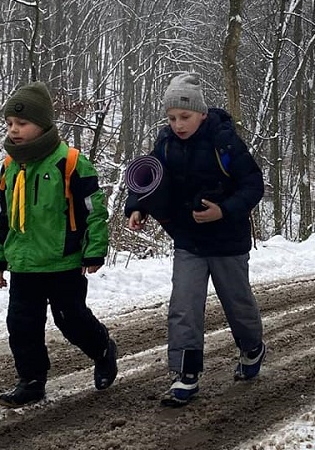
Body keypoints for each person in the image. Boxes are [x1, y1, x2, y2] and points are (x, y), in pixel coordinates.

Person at [125, 72, 265, 407]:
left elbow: (253, 185)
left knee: (238, 304)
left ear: (201, 113)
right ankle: (185, 376)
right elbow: (149, 178)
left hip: (227, 239)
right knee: (184, 307)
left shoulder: (225, 141)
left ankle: (252, 348)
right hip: (188, 239)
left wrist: (224, 210)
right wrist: (137, 207)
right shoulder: (166, 143)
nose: (178, 124)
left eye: (184, 117)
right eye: (172, 118)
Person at [0, 81, 117, 408]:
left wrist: (95, 248)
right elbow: (1, 215)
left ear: (43, 125)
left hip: (64, 262)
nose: (14, 130)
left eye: (22, 124)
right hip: (23, 263)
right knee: (21, 325)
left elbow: (94, 210)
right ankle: (31, 380)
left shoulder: (71, 162)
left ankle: (103, 350)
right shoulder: (9, 165)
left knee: (70, 320)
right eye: (9, 124)